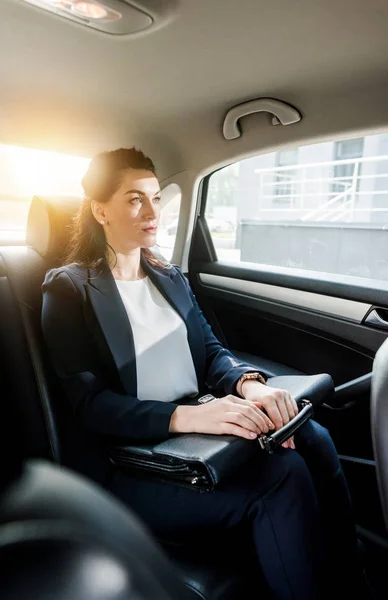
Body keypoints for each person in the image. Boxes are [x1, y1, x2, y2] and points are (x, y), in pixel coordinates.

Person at [41, 147, 369, 599]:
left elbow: (213, 353)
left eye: (156, 198)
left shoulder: (169, 276)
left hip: (197, 433)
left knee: (314, 438)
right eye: (135, 199)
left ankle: (351, 581)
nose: (152, 212)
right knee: (281, 476)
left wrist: (248, 385)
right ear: (101, 210)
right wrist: (192, 418)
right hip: (130, 460)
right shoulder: (68, 289)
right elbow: (90, 405)